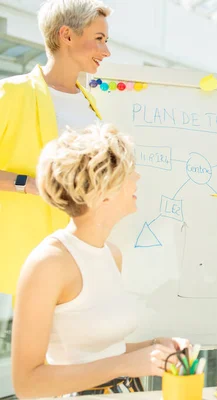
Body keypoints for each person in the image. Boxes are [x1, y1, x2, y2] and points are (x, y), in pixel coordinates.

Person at [11, 124, 187, 397]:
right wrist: (126, 364)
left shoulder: (112, 254)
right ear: (103, 191)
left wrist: (153, 347)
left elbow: (101, 351)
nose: (137, 177)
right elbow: (27, 384)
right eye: (129, 173)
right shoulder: (49, 263)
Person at [0, 0, 111, 298]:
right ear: (67, 35)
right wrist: (32, 185)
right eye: (99, 39)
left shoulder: (95, 105)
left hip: (83, 256)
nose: (106, 51)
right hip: (25, 258)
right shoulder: (12, 93)